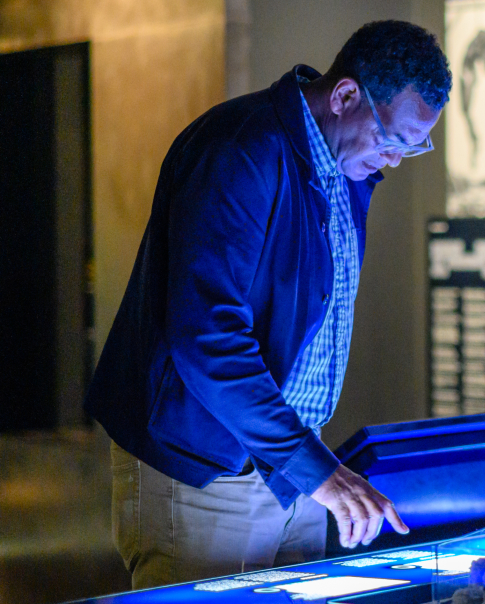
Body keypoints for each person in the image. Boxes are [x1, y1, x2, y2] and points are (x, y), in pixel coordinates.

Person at [84, 20, 451, 589]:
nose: (397, 160)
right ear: (346, 95)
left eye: (414, 146)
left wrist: (310, 469)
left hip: (290, 468)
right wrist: (319, 473)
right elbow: (207, 338)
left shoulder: (347, 168)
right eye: (392, 139)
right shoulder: (241, 149)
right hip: (205, 470)